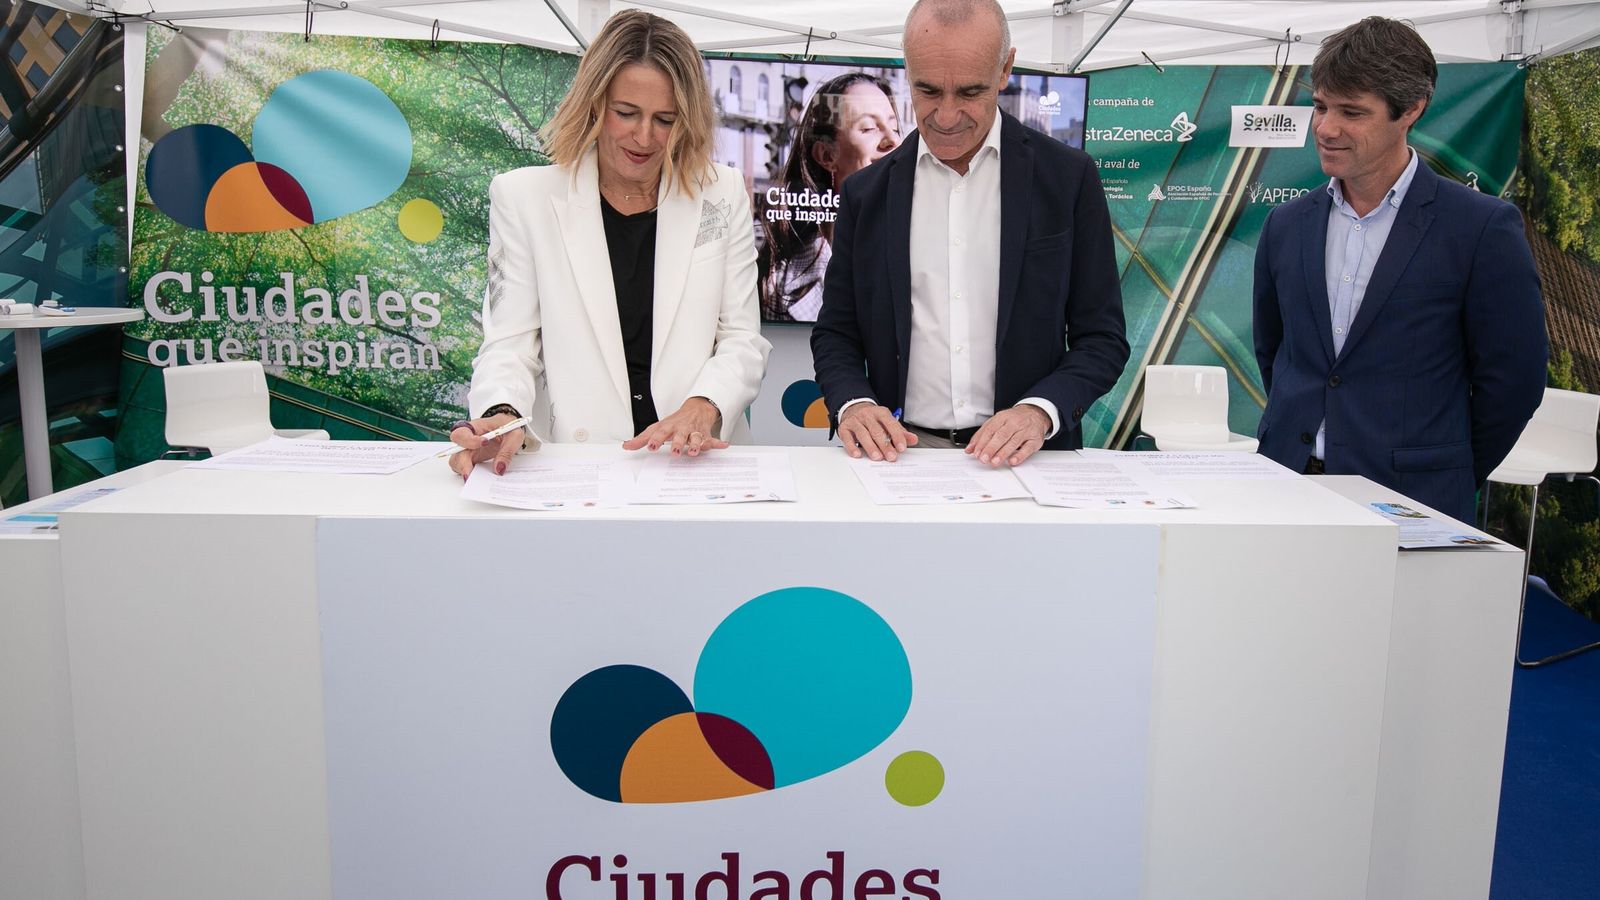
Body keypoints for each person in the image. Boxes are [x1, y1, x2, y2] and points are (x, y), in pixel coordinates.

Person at [451, 10, 771, 477]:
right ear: (594, 104)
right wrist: (502, 414)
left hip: (694, 465)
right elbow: (509, 344)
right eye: (626, 113)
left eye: (665, 119)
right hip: (578, 469)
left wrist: (705, 405)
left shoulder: (721, 193)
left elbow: (742, 338)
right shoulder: (524, 198)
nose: (644, 137)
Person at [1252, 16, 1547, 523]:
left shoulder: (1480, 228)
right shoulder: (1286, 224)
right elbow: (1276, 353)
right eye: (1320, 106)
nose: (1325, 127)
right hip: (1286, 487)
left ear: (1411, 110)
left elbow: (1514, 381)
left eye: (1352, 112)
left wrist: (1445, 469)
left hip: (1414, 505)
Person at [810, 0, 1128, 466]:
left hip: (1030, 460)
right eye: (928, 90)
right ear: (907, 70)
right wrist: (854, 404)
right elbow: (836, 332)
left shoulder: (1067, 178)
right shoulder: (865, 193)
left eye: (970, 92)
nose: (946, 114)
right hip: (898, 459)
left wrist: (1039, 412)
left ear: (1006, 70)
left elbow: (1102, 338)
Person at [760, 73, 901, 322]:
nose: (893, 140)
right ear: (826, 156)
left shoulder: (923, 241)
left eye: (895, 126)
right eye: (868, 128)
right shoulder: (782, 285)